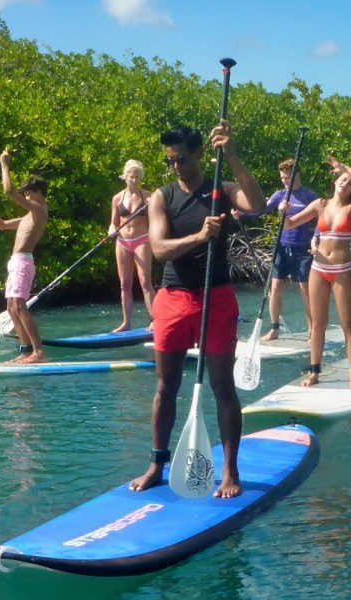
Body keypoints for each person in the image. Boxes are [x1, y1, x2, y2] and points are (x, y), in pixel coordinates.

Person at [129, 122, 265, 499]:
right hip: (172, 298)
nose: (174, 166)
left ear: (201, 154)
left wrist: (233, 155)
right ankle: (158, 463)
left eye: (181, 159)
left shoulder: (221, 188)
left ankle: (230, 470)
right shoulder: (162, 196)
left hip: (216, 297)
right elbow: (158, 249)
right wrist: (200, 237)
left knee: (223, 386)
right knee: (166, 386)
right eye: (169, 160)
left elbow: (257, 204)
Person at [281, 156, 351, 389]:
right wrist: (283, 213)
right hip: (319, 269)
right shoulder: (319, 205)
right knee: (318, 324)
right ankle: (314, 373)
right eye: (342, 180)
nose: (345, 184)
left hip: (343, 270)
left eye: (350, 183)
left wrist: (347, 168)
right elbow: (290, 225)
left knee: (348, 325)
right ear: (334, 183)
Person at [0, 149, 49, 364]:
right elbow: (2, 225)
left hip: (23, 262)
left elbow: (9, 191)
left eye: (29, 193)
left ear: (40, 194)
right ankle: (26, 351)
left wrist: (4, 164)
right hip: (15, 263)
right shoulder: (28, 216)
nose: (26, 197)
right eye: (25, 194)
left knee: (20, 306)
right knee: (11, 308)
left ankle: (39, 352)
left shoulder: (40, 211)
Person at [233, 159, 318, 340]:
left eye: (287, 177)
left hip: (303, 249)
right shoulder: (279, 195)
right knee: (276, 286)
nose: (284, 180)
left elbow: (322, 220)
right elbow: (261, 211)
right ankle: (274, 329)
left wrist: (317, 239)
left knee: (305, 288)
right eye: (282, 177)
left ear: (297, 176)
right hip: (282, 247)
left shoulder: (310, 197)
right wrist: (242, 212)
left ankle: (312, 327)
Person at [108, 160, 156, 332]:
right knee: (125, 283)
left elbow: (156, 220)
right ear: (125, 177)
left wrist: (153, 205)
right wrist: (111, 230)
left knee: (144, 281)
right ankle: (126, 322)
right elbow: (113, 223)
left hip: (142, 239)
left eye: (137, 177)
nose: (134, 180)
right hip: (122, 242)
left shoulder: (147, 196)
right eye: (131, 177)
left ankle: (154, 319)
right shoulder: (117, 198)